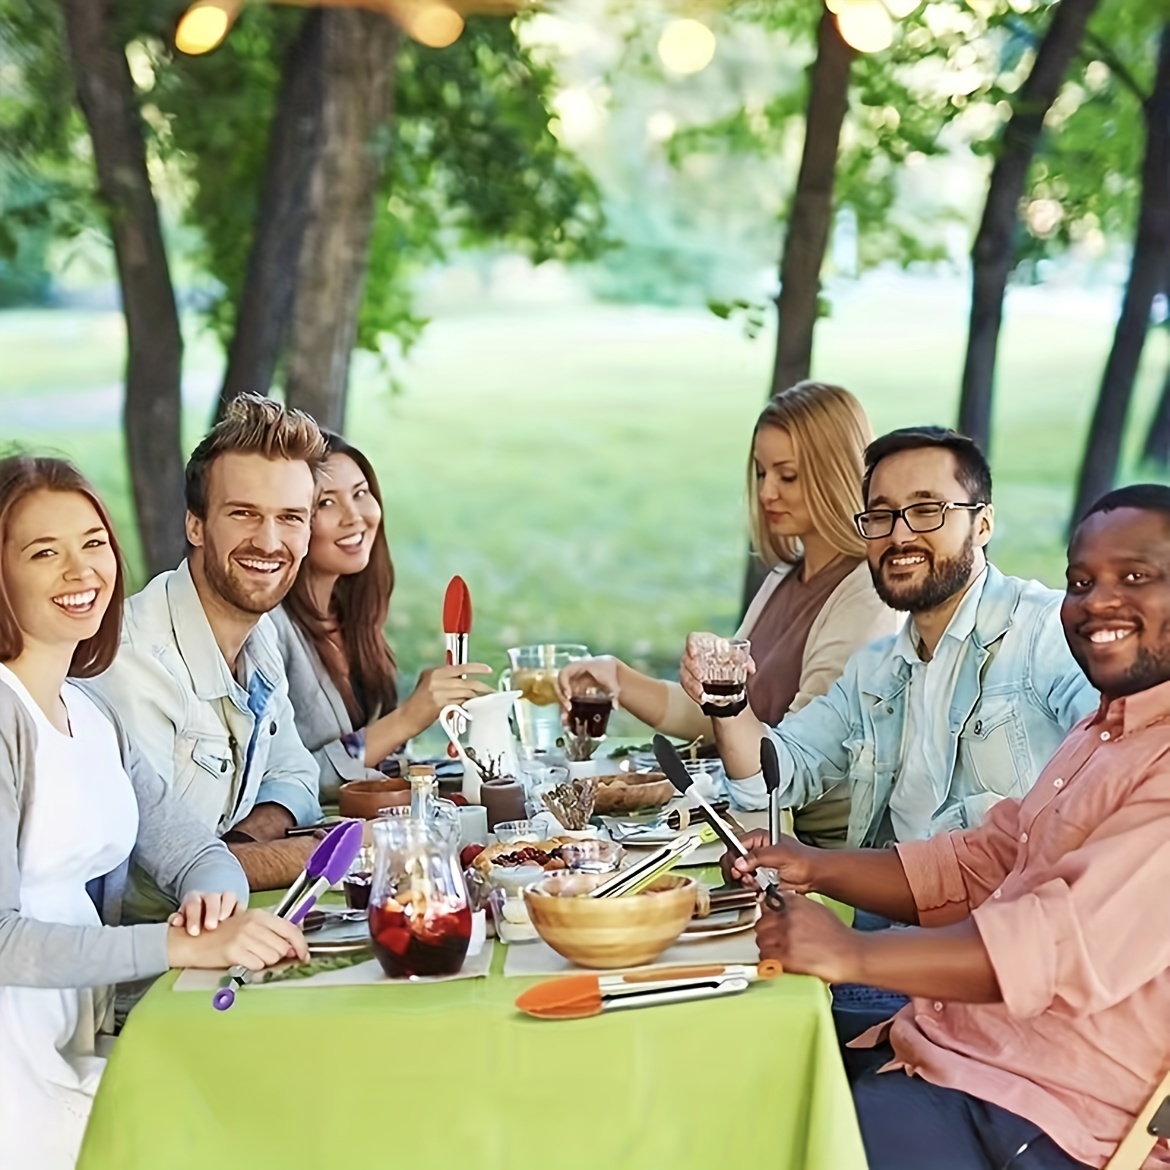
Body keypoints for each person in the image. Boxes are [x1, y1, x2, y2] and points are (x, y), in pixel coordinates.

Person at [728, 483, 1170, 1170]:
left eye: (1136, 577)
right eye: (1081, 581)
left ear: (980, 524)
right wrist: (814, 865)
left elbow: (1054, 945)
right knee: (739, 1063)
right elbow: (989, 862)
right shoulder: (1107, 728)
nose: (1097, 602)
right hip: (953, 1045)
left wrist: (852, 954)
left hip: (1042, 1113)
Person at [0, 455, 307, 1170]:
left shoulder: (88, 710)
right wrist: (181, 947)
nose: (82, 573)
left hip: (77, 1031)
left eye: (94, 543)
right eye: (45, 552)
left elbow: (199, 853)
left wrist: (213, 908)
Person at [685, 426, 1098, 846]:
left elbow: (1118, 774)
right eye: (881, 516)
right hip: (888, 909)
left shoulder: (1047, 632)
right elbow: (770, 779)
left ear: (982, 524)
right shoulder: (875, 671)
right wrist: (727, 697)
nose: (899, 536)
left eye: (926, 510)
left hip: (1008, 908)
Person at [559, 382, 899, 847]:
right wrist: (617, 678)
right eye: (761, 473)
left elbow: (793, 758)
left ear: (834, 474)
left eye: (788, 475)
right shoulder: (785, 577)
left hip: (815, 852)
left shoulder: (865, 593)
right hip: (755, 821)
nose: (767, 493)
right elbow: (722, 718)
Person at [93, 394, 327, 903]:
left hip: (227, 928)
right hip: (151, 966)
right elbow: (147, 881)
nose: (269, 542)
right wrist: (324, 854)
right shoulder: (135, 664)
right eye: (244, 513)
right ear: (195, 525)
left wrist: (236, 847)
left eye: (290, 518)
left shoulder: (257, 632)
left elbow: (295, 772)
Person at [270, 432, 494, 802]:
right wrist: (407, 718)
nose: (355, 517)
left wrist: (427, 709)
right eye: (326, 503)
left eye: (360, 493)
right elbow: (290, 781)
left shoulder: (348, 614)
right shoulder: (271, 630)